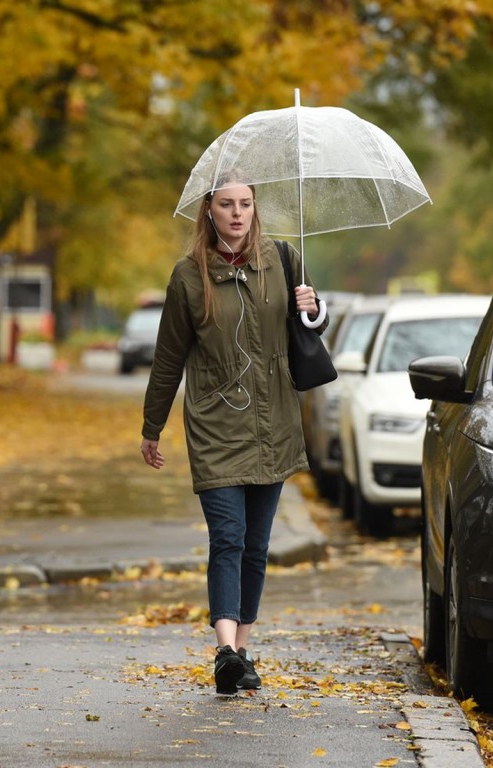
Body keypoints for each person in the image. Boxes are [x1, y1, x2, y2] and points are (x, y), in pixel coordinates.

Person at [139, 178, 325, 696]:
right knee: (228, 536)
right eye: (227, 205)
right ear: (210, 211)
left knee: (257, 546)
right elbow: (168, 358)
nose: (238, 214)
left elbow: (312, 327)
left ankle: (240, 652)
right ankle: (224, 648)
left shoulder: (283, 259)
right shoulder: (188, 278)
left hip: (274, 424)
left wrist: (312, 306)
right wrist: (151, 426)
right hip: (217, 424)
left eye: (245, 204)